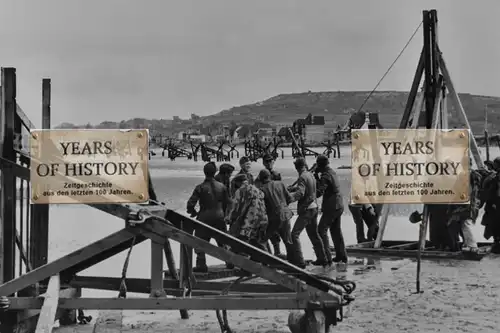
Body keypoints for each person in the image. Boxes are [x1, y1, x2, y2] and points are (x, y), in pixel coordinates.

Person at [186, 162, 232, 272]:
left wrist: (193, 212)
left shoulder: (200, 187)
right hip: (219, 216)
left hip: (204, 217)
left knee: (200, 241)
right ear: (215, 172)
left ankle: (201, 264)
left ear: (204, 172)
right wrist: (226, 215)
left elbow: (190, 204)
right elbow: (229, 202)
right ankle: (229, 262)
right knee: (223, 241)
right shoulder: (222, 187)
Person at [287, 157, 328, 268]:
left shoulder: (302, 177)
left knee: (294, 235)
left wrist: (289, 198)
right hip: (314, 207)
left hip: (307, 209)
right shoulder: (310, 175)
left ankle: (299, 262)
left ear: (297, 168)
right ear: (305, 165)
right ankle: (323, 259)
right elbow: (307, 189)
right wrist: (292, 189)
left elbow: (301, 193)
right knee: (314, 234)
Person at [314, 155, 347, 265]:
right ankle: (341, 256)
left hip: (332, 206)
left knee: (321, 230)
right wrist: (317, 176)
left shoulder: (326, 175)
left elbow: (319, 192)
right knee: (336, 231)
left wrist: (315, 178)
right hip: (339, 205)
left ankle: (327, 257)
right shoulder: (331, 172)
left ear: (320, 165)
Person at [446, 157, 482, 253]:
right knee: (463, 223)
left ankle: (472, 245)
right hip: (469, 203)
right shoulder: (471, 175)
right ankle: (467, 244)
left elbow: (469, 190)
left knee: (466, 223)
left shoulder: (469, 175)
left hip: (468, 204)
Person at [257, 169, 294, 261]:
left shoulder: (261, 190)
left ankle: (268, 258)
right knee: (288, 240)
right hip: (285, 214)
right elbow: (289, 199)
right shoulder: (280, 184)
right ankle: (294, 260)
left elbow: (262, 207)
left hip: (273, 218)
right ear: (270, 176)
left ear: (261, 179)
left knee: (264, 238)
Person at [226, 174, 268, 253]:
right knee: (256, 240)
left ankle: (239, 257)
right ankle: (266, 258)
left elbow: (235, 206)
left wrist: (229, 217)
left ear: (238, 183)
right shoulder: (257, 189)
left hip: (249, 220)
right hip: (262, 218)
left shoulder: (240, 191)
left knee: (240, 238)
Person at [255, 154, 285, 257]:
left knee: (279, 232)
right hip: (267, 207)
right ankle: (271, 253)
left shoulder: (277, 175)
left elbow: (280, 189)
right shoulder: (260, 176)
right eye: (267, 161)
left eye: (270, 161)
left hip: (276, 206)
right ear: (263, 163)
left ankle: (277, 252)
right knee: (271, 232)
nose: (269, 163)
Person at [481, 157, 500, 253]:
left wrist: (494, 203)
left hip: (495, 204)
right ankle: (496, 242)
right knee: (493, 224)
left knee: (495, 224)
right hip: (493, 203)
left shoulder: (496, 177)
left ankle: (497, 243)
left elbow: (497, 192)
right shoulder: (494, 176)